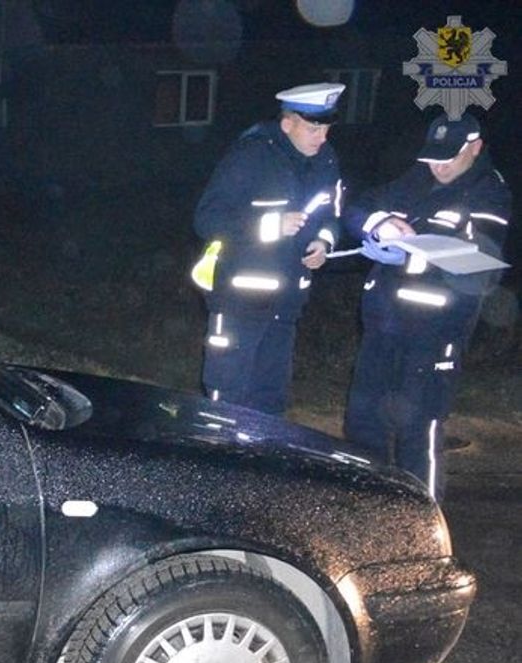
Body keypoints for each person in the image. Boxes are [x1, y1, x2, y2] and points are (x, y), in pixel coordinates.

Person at [341, 111, 512, 500]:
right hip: (383, 328)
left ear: (475, 148)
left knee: (419, 431)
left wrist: (412, 253)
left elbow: (479, 264)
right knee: (363, 424)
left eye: (449, 156)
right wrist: (379, 224)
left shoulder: (488, 192)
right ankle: (368, 509)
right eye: (433, 155)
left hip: (435, 336)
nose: (438, 165)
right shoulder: (415, 180)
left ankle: (425, 518)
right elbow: (357, 206)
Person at [191, 82, 345, 415]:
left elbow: (331, 214)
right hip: (240, 301)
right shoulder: (251, 156)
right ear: (287, 123)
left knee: (270, 399)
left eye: (327, 128)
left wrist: (324, 242)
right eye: (314, 128)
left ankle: (260, 467)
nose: (322, 137)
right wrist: (271, 225)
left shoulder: (326, 160)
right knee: (227, 399)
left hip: (288, 302)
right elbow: (207, 218)